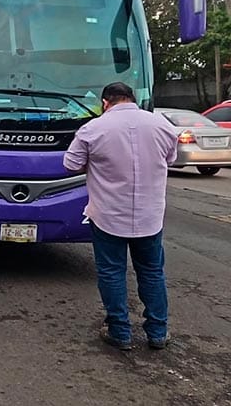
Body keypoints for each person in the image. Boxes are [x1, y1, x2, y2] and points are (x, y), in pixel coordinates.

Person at [63, 82, 177, 351]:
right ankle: (158, 332)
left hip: (108, 216)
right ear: (132, 98)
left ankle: (120, 332)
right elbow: (170, 159)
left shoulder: (93, 129)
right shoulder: (162, 125)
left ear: (105, 102)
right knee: (152, 272)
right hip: (150, 216)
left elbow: (70, 165)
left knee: (112, 272)